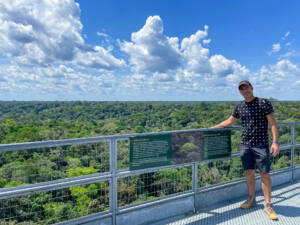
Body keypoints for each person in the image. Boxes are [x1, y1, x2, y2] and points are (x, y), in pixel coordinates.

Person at [211, 80, 279, 220]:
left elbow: (272, 123)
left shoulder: (263, 103)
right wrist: (213, 128)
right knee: (249, 173)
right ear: (240, 92)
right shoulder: (239, 106)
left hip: (261, 145)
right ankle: (251, 199)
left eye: (246, 87)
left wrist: (276, 142)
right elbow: (229, 121)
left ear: (252, 88)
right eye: (242, 89)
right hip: (245, 145)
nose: (245, 90)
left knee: (264, 174)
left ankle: (268, 204)